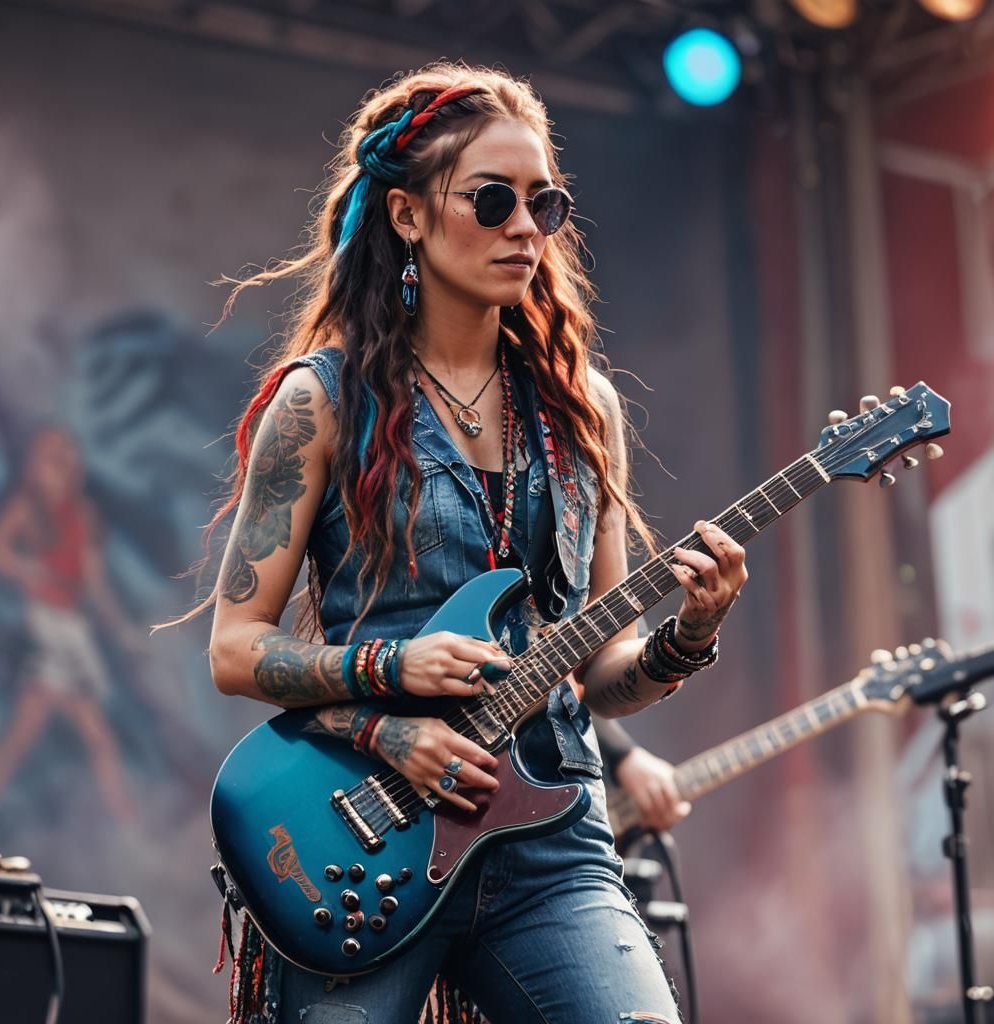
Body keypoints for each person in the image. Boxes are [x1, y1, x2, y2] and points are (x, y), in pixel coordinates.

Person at [202, 63, 747, 1024]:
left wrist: (687, 636)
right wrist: (390, 685)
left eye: (546, 203)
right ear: (408, 215)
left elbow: (601, 672)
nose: (525, 227)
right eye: (492, 199)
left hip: (552, 843)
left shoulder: (584, 412)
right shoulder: (320, 401)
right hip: (367, 829)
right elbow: (236, 649)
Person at [0, 425, 141, 822]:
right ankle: (130, 822)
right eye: (52, 459)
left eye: (66, 459)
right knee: (92, 733)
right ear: (35, 467)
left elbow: (95, 581)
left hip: (72, 629)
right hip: (48, 626)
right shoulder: (25, 508)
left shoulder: (83, 514)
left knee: (37, 720)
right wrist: (26, 569)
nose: (61, 468)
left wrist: (122, 629)